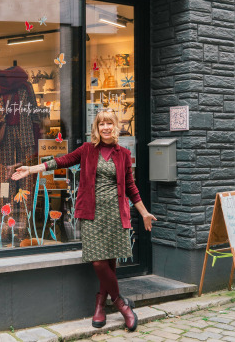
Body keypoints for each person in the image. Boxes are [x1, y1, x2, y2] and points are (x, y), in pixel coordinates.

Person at [11, 109, 157, 332]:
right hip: (91, 214)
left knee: (110, 262)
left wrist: (144, 212)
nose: (105, 127)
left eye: (109, 123)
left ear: (115, 126)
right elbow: (62, 161)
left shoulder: (123, 154)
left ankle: (100, 302)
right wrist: (32, 169)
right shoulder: (88, 150)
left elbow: (130, 187)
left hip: (116, 215)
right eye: (101, 124)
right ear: (96, 128)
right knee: (98, 261)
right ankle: (122, 304)